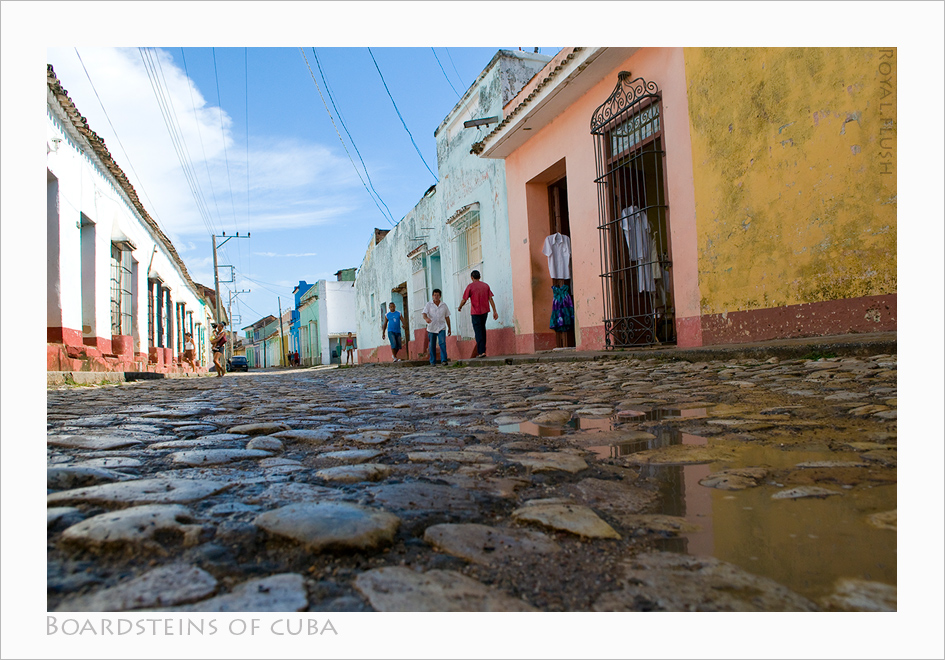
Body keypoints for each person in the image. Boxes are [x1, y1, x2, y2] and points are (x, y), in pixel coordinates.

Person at [457, 270, 498, 358]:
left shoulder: (470, 287)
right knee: (483, 329)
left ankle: (481, 351)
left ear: (472, 277)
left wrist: (460, 307)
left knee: (478, 331)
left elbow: (464, 299)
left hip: (475, 312)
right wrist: (495, 311)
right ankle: (483, 350)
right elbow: (490, 299)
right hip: (485, 311)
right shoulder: (486, 286)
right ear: (479, 276)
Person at [422, 288, 451, 365]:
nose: (436, 297)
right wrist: (426, 318)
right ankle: (432, 361)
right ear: (432, 296)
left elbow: (447, 317)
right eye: (435, 295)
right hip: (431, 328)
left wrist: (449, 328)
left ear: (440, 296)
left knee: (442, 343)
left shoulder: (444, 305)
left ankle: (444, 360)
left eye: (437, 295)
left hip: (441, 327)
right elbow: (424, 313)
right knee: (432, 345)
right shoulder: (429, 305)